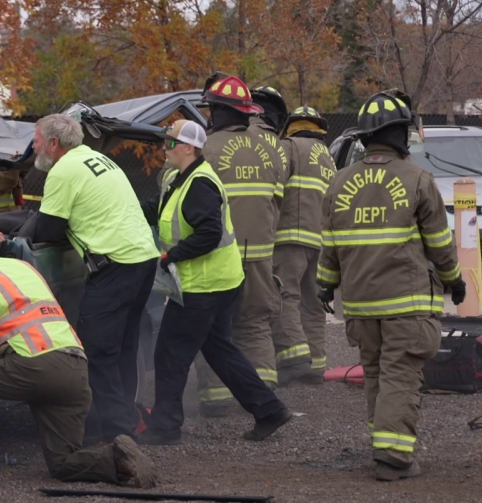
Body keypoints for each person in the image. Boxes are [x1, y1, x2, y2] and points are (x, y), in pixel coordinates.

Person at [317, 91, 465, 481]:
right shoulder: (418, 179)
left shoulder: (340, 182)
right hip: (406, 304)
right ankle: (394, 458)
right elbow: (439, 244)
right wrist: (455, 282)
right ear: (400, 133)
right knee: (401, 375)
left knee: (377, 375)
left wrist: (324, 287)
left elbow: (329, 248)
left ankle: (384, 447)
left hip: (360, 306)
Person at [0, 247, 157, 487]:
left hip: (36, 366)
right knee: (63, 463)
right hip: (75, 366)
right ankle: (118, 459)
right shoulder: (21, 267)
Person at [138, 121, 292, 446]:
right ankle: (269, 410)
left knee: (169, 354)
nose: (164, 148)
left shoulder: (200, 184)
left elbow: (208, 233)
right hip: (218, 282)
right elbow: (156, 209)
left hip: (204, 287)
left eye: (170, 142)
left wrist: (172, 257)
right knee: (219, 349)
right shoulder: (181, 179)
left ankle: (165, 427)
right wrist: (124, 211)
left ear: (188, 148)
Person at [26, 114, 159, 444]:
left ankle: (118, 436)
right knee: (124, 348)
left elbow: (48, 230)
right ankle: (127, 420)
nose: (33, 145)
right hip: (143, 260)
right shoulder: (97, 158)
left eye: (37, 140)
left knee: (96, 352)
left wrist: (17, 231)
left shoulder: (63, 171)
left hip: (116, 265)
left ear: (54, 144)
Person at [192, 74, 284, 418]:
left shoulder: (205, 149)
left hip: (218, 255)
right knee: (256, 322)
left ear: (217, 112)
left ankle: (218, 398)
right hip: (260, 251)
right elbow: (278, 201)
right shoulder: (269, 148)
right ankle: (262, 395)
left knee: (216, 326)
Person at [271, 106, 336, 385]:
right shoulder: (328, 157)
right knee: (314, 302)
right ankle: (317, 366)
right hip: (320, 240)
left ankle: (294, 357)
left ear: (292, 126)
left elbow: (274, 189)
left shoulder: (287, 147)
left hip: (290, 237)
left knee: (286, 295)